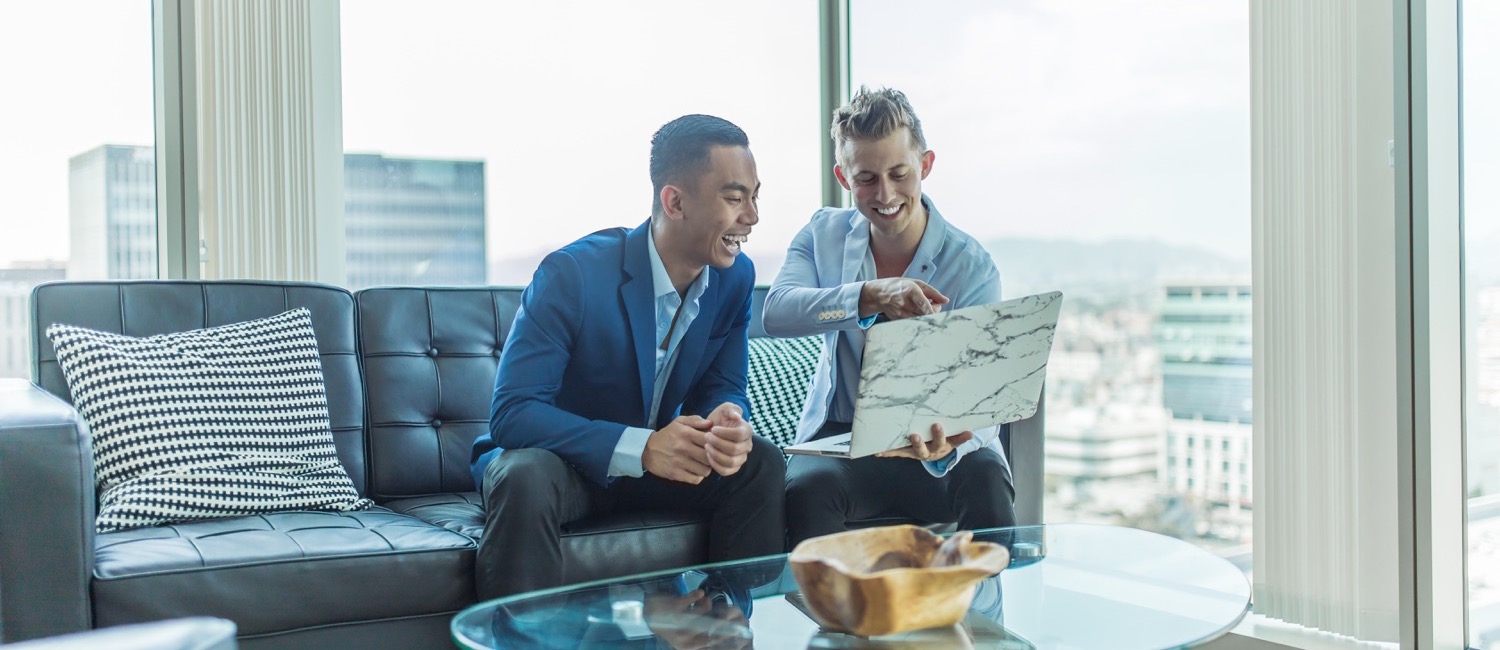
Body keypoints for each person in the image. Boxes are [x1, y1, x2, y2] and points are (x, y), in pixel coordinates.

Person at [471, 114, 786, 599]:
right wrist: (641, 447)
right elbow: (513, 414)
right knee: (524, 475)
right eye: (734, 197)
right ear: (675, 201)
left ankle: (722, 626)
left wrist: (728, 418)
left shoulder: (735, 278)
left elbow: (722, 385)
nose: (753, 216)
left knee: (758, 462)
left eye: (754, 195)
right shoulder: (571, 274)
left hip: (655, 468)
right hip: (565, 467)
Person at [762, 87, 1016, 546]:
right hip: (844, 441)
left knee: (987, 479)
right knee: (807, 489)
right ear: (843, 176)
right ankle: (831, 618)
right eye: (866, 178)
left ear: (926, 164)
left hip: (939, 443)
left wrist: (950, 441)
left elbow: (987, 396)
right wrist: (869, 296)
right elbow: (777, 312)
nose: (885, 194)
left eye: (899, 173)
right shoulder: (822, 235)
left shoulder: (972, 266)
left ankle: (988, 616)